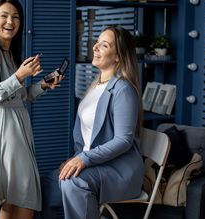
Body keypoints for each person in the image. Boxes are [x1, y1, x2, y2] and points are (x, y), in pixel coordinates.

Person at [40, 26, 144, 219]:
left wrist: (83, 159)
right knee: (44, 186)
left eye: (104, 45)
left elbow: (124, 140)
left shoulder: (123, 90)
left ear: (118, 57)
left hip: (118, 169)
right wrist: (77, 158)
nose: (95, 47)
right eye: (97, 42)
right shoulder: (95, 85)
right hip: (94, 164)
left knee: (73, 182)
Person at [0, 0, 62, 219]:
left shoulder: (9, 53)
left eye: (15, 17)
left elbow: (19, 96)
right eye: (4, 15)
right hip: (5, 128)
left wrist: (42, 85)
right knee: (24, 192)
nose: (10, 21)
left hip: (15, 124)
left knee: (15, 196)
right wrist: (19, 75)